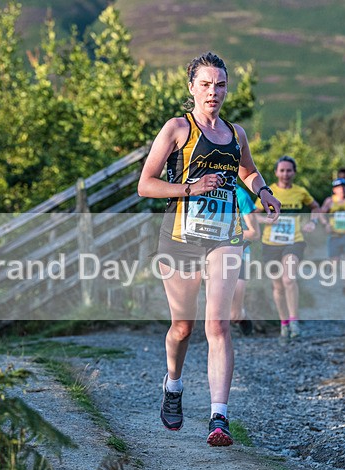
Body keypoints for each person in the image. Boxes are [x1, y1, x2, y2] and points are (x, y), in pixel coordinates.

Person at [137, 52, 280, 447]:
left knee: (217, 324)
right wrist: (189, 188)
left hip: (224, 236)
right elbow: (145, 184)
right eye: (205, 84)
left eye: (219, 85)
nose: (213, 92)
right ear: (191, 88)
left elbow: (247, 170)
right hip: (180, 238)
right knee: (182, 327)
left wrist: (263, 191)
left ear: (226, 89)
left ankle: (219, 417)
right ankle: (174, 384)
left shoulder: (236, 134)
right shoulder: (177, 129)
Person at [254, 155, 321, 341]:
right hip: (270, 243)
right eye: (282, 170)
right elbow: (252, 215)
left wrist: (313, 223)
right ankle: (284, 324)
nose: (285, 174)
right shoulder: (268, 192)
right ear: (276, 172)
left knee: (289, 279)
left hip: (294, 240)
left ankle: (294, 321)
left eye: (289, 170)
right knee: (277, 286)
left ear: (294, 172)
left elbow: (316, 208)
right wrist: (265, 219)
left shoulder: (300, 192)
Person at [231, 183, 260, 335]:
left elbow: (255, 233)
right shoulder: (200, 188)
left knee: (234, 314)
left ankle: (241, 315)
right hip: (211, 255)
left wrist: (228, 234)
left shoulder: (240, 195)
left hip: (239, 253)